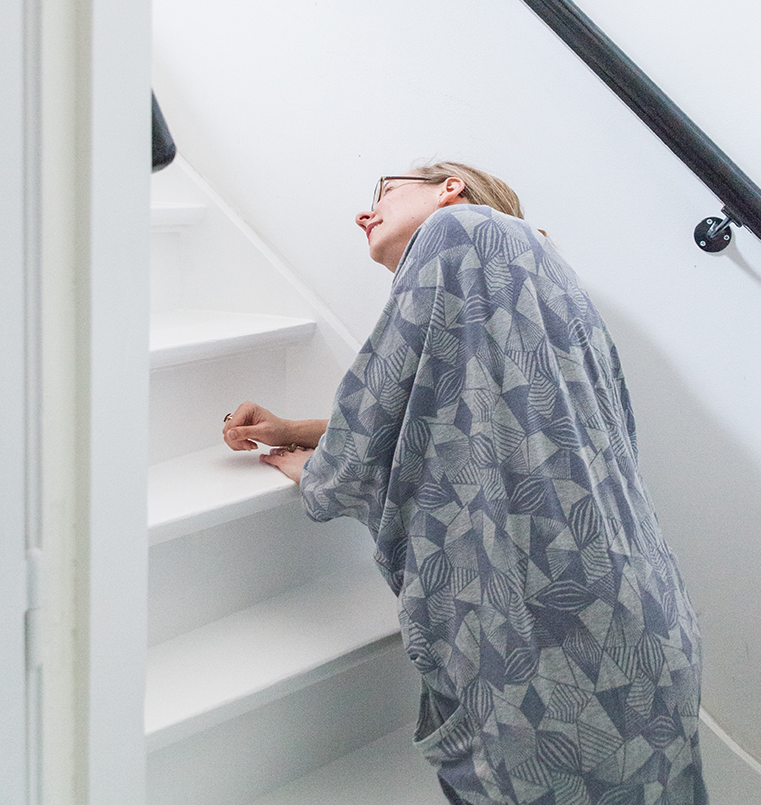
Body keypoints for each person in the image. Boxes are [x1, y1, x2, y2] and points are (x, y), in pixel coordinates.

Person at [223, 162, 708, 805]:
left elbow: (387, 407)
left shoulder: (458, 229)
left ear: (448, 188)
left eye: (386, 191)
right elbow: (441, 407)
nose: (364, 214)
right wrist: (299, 429)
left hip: (549, 638)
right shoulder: (539, 275)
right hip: (640, 615)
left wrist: (322, 468)